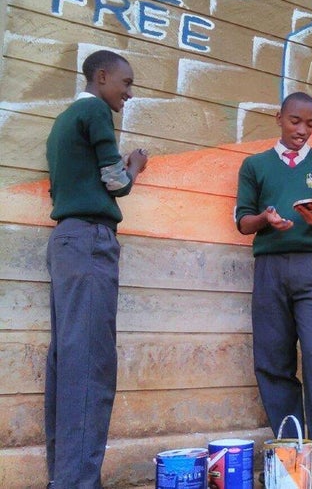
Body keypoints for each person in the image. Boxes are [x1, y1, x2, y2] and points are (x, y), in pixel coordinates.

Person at [234, 92, 312, 489]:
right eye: (294, 121)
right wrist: (265, 219)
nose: (302, 130)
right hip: (269, 270)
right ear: (279, 118)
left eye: (310, 124)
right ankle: (290, 455)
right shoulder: (255, 166)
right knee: (273, 362)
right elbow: (243, 222)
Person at [45, 49, 148, 488]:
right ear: (101, 77)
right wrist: (135, 169)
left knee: (69, 361)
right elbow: (116, 184)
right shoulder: (97, 115)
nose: (128, 92)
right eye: (124, 83)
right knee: (91, 364)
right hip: (90, 241)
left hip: (68, 241)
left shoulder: (64, 121)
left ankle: (66, 478)